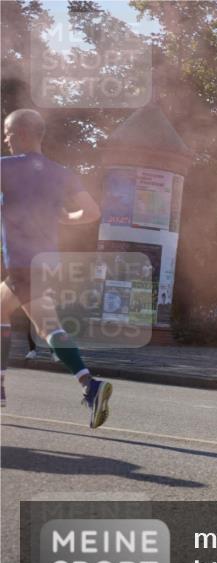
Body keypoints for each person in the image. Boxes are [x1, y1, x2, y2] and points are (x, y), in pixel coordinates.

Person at [0, 109, 112, 425]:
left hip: (23, 264)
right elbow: (91, 212)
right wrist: (65, 217)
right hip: (46, 263)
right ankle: (2, 388)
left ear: (20, 133)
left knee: (49, 328)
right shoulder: (60, 172)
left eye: (7, 133)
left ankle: (91, 386)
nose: (5, 139)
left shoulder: (5, 167)